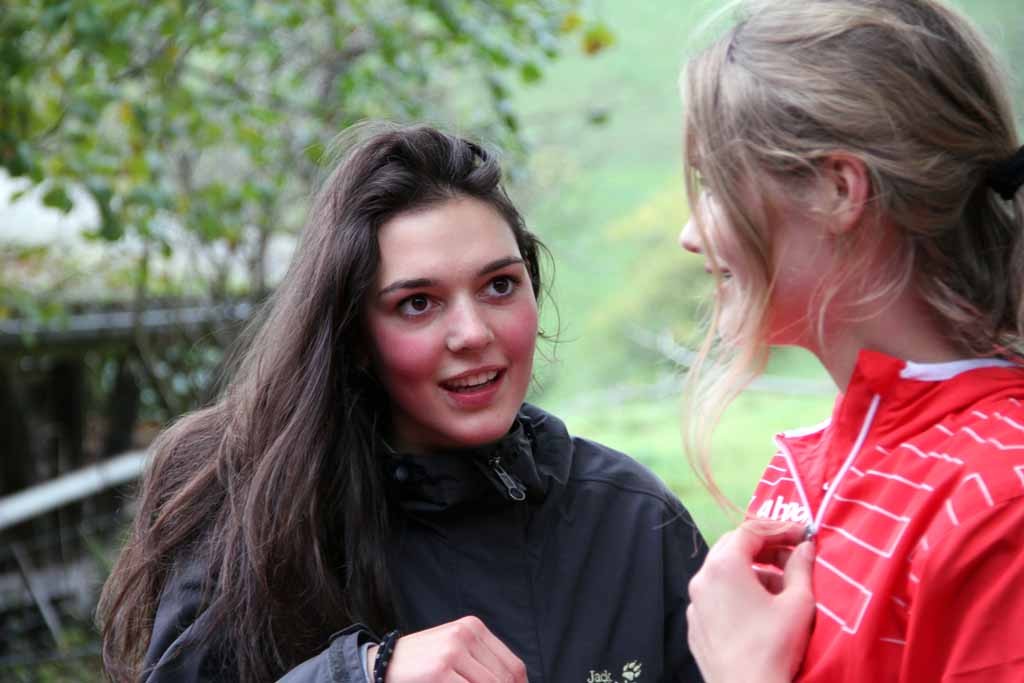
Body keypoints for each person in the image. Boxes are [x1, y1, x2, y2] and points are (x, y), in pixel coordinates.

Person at [97, 123, 708, 683]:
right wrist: (362, 675)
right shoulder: (251, 520)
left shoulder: (634, 523)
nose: (472, 333)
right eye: (418, 303)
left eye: (499, 286)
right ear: (355, 337)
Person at [675, 0, 1024, 681]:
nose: (691, 236)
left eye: (715, 186)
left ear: (837, 190)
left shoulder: (1002, 500)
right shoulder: (808, 470)